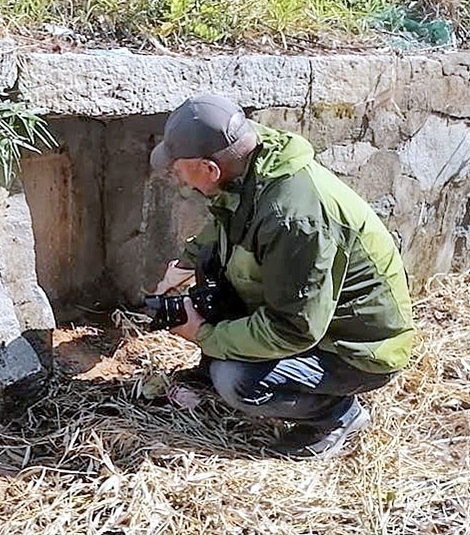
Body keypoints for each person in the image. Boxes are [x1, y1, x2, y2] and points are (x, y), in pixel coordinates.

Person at [149, 95, 415, 459]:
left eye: (178, 167)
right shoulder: (249, 158)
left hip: (356, 348)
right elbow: (227, 216)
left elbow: (293, 329)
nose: (175, 175)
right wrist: (185, 264)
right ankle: (214, 367)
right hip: (312, 316)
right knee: (212, 275)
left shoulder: (294, 220)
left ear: (210, 169)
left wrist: (206, 335)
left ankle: (336, 416)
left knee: (237, 381)